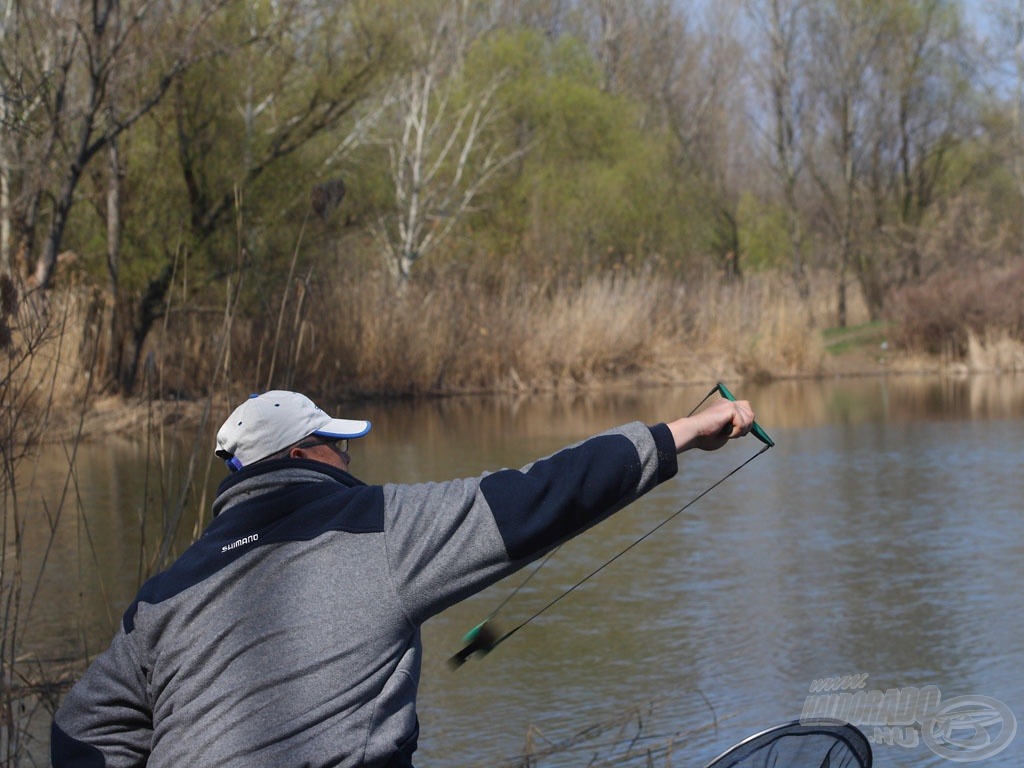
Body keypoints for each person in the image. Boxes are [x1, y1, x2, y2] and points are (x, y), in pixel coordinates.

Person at [52, 389, 756, 767]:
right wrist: (681, 433)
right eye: (340, 444)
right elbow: (541, 494)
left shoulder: (162, 596)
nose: (350, 460)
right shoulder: (375, 527)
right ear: (305, 451)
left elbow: (80, 733)